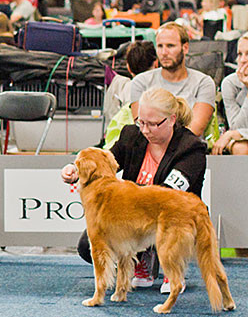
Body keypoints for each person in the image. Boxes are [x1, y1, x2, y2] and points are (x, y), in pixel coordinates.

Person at [62, 88, 206, 292]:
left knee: (165, 215)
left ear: (172, 119)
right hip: (134, 217)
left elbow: (168, 193)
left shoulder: (191, 148)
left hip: (173, 218)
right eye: (141, 122)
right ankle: (141, 258)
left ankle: (173, 267)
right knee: (88, 245)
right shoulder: (131, 135)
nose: (145, 130)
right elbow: (104, 162)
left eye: (153, 124)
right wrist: (75, 170)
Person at [129, 22, 215, 138]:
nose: (164, 53)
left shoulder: (203, 83)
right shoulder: (140, 82)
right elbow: (142, 128)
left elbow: (195, 130)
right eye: (160, 46)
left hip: (188, 147)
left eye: (170, 46)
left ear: (185, 48)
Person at [214, 33, 248, 155]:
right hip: (244, 139)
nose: (243, 60)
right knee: (240, 147)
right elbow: (238, 126)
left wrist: (233, 134)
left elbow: (236, 132)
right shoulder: (230, 83)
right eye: (240, 54)